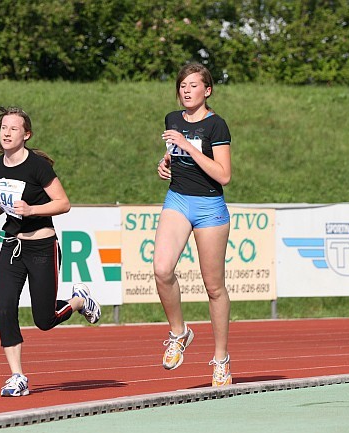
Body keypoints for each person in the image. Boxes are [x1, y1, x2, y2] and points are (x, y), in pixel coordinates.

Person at [0, 106, 101, 397]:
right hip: (12, 246)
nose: (6, 132)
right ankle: (17, 377)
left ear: (26, 134)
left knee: (44, 320)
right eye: (3, 127)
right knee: (5, 308)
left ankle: (78, 301)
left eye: (13, 128)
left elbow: (63, 203)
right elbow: (1, 205)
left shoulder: (38, 166)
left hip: (42, 247)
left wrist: (33, 209)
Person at [154, 63, 232, 387]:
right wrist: (166, 162)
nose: (186, 90)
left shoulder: (217, 126)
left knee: (213, 287)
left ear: (207, 90)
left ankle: (221, 359)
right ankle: (179, 332)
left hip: (210, 206)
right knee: (161, 269)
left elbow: (224, 174)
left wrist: (187, 147)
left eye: (193, 85)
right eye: (182, 85)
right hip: (178, 199)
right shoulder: (172, 119)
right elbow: (174, 156)